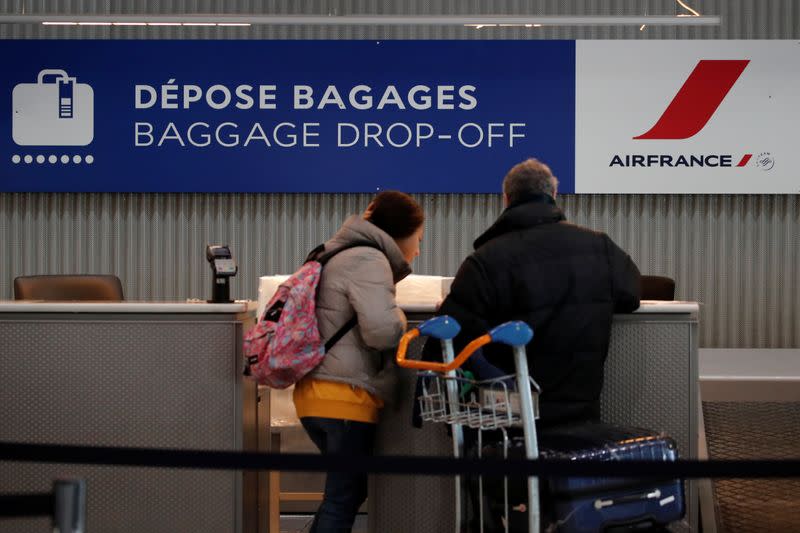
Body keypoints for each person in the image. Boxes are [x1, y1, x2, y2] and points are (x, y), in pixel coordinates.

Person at [428, 158, 641, 427]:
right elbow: (631, 295)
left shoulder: (485, 260)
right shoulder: (601, 247)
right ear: (554, 195)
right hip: (580, 414)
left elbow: (453, 336)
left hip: (509, 417)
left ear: (506, 199)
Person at [293, 190, 424, 532]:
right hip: (343, 398)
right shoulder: (368, 259)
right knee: (344, 497)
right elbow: (382, 331)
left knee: (345, 492)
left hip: (317, 392)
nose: (419, 249)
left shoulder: (335, 251)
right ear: (402, 233)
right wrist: (399, 314)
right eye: (419, 239)